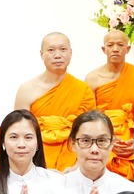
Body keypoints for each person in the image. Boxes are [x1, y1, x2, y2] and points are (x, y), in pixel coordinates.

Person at [84, 29, 134, 184]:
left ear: (127, 49)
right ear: (104, 49)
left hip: (130, 135)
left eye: (120, 44)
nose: (115, 49)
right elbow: (88, 118)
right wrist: (107, 139)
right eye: (110, 45)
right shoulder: (92, 78)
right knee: (103, 163)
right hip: (102, 135)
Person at [14, 32, 93, 171]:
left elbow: (90, 132)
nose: (57, 55)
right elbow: (20, 134)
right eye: (51, 50)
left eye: (63, 49)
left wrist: (78, 167)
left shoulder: (82, 89)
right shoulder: (26, 90)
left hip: (74, 157)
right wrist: (34, 169)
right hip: (37, 158)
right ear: (41, 54)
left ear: (70, 53)